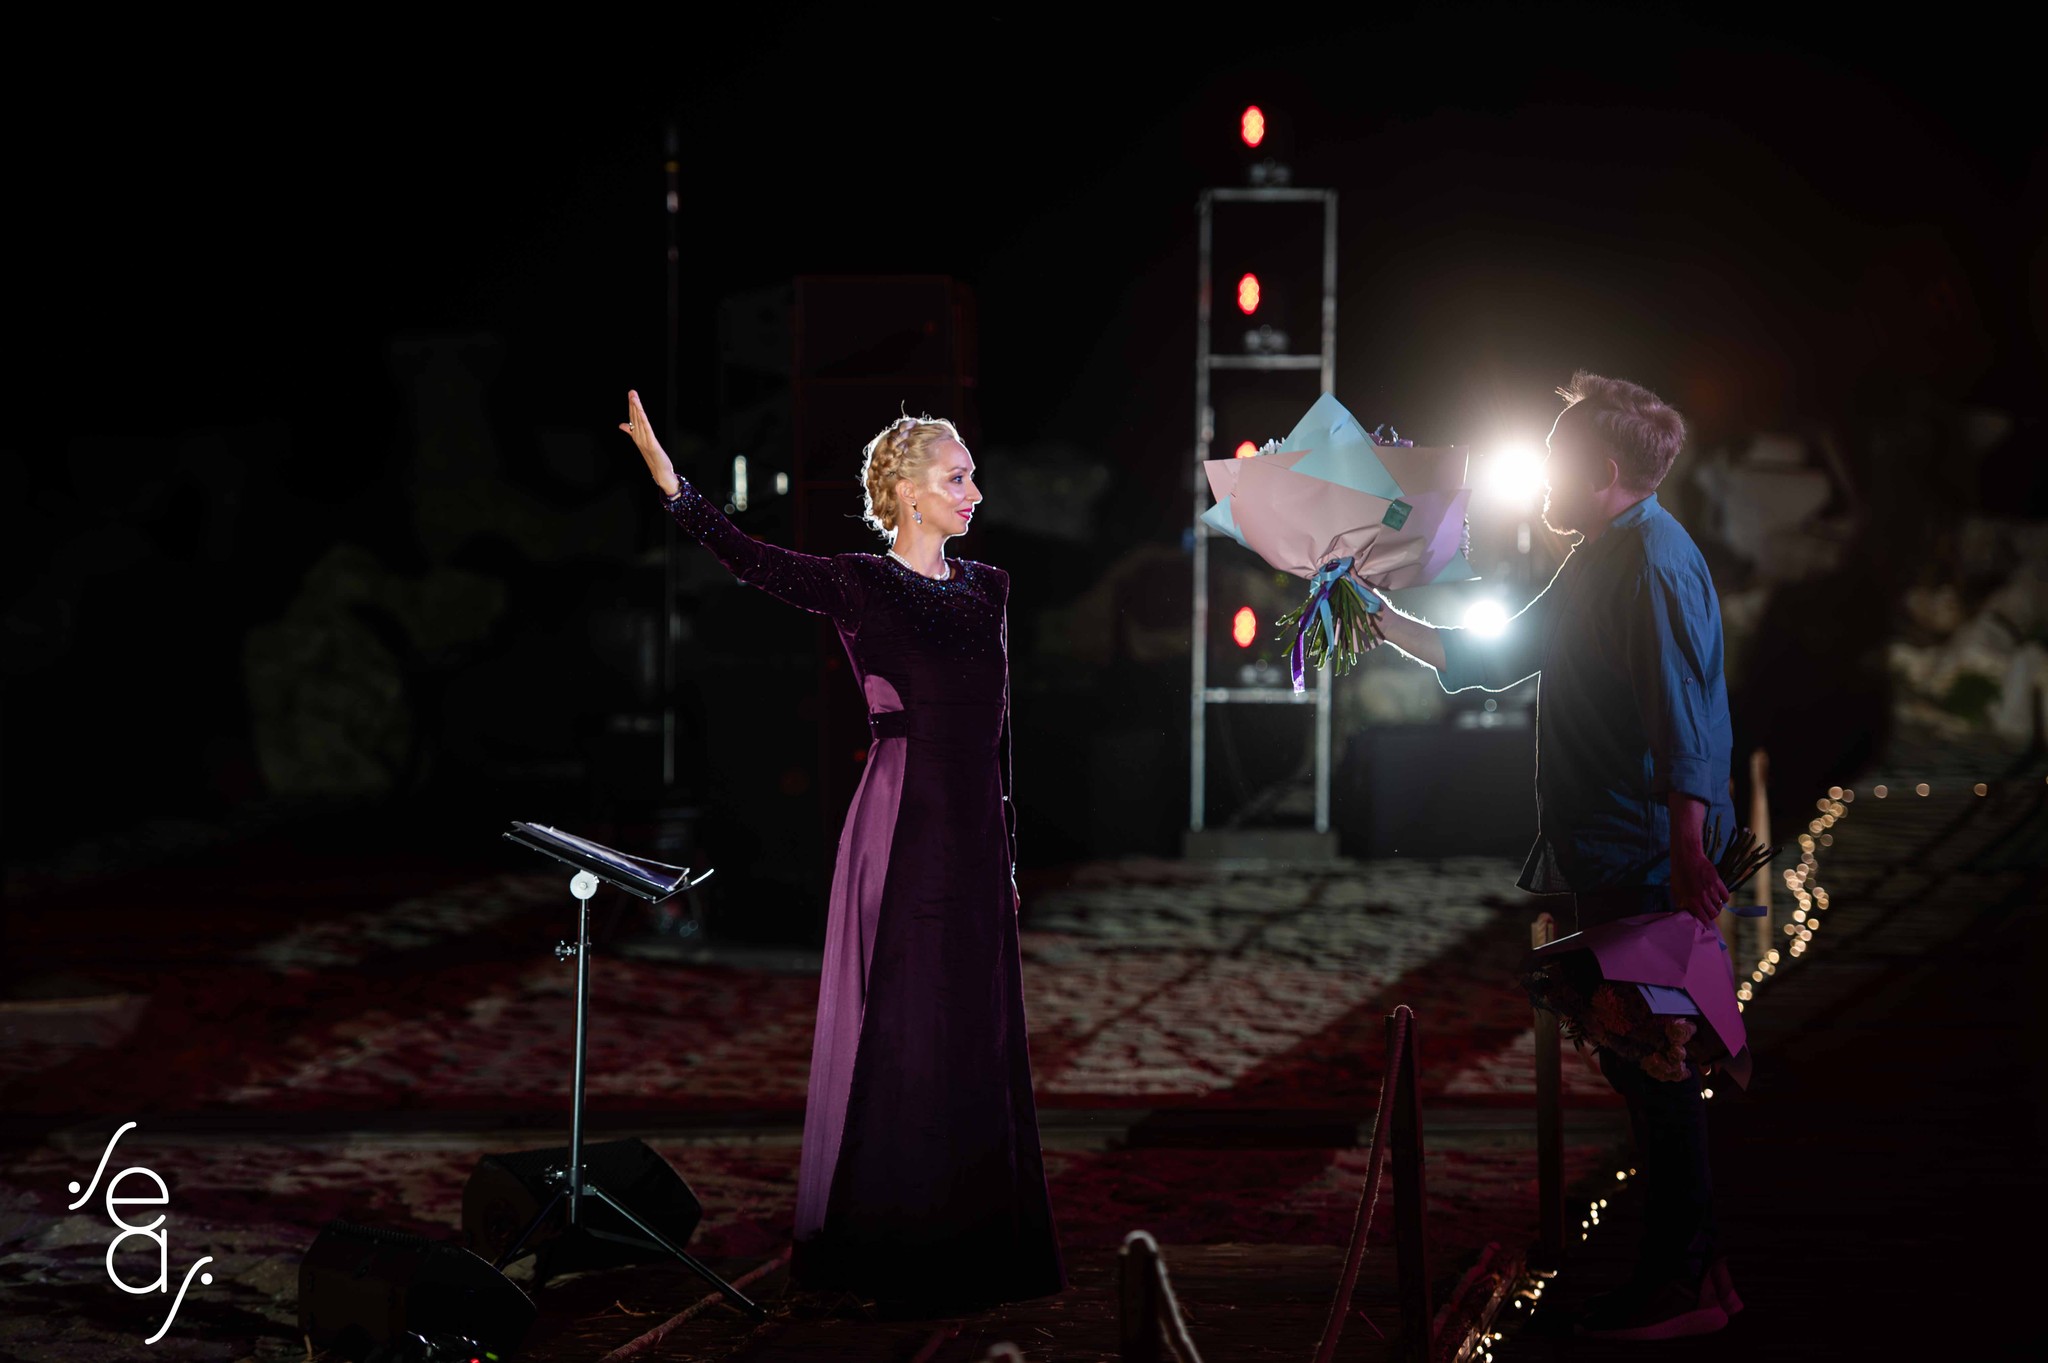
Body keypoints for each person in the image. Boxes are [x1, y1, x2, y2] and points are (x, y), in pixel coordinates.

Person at [617, 391, 1064, 1312]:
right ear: (908, 492)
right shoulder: (862, 583)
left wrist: (1010, 850)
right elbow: (750, 558)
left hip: (976, 831)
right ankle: (894, 1240)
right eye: (957, 477)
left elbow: (1001, 737)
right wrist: (675, 488)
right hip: (902, 825)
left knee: (973, 1026)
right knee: (907, 1021)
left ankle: (978, 1235)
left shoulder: (989, 590)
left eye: (972, 477)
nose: (975, 492)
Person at [1364, 372, 1739, 1341]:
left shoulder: (1650, 561)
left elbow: (1685, 712)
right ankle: (1693, 1271)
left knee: (1657, 1064)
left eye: (1554, 467)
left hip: (1646, 851)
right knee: (1642, 1060)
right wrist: (1382, 619)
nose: (1539, 486)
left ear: (1603, 471)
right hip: (1619, 844)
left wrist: (1687, 844)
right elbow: (1506, 651)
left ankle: (1688, 1280)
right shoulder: (1606, 552)